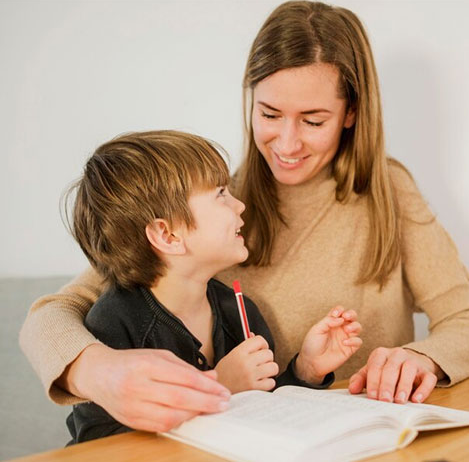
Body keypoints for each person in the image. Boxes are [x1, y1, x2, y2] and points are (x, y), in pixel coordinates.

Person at [20, 0, 469, 433]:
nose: (287, 144)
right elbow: (51, 316)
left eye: (313, 121)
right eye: (269, 114)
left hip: (358, 438)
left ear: (351, 113)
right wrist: (97, 370)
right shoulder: (206, 214)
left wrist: (421, 359)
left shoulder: (389, 192)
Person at [61, 130, 362, 443]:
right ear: (168, 235)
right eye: (221, 194)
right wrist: (221, 385)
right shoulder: (113, 323)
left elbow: (270, 410)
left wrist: (305, 370)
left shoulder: (240, 310)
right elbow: (98, 442)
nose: (240, 205)